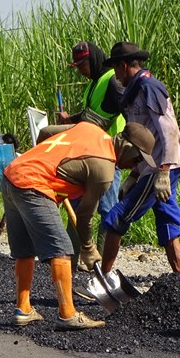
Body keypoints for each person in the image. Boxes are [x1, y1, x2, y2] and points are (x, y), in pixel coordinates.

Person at [2, 121, 156, 330]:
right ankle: (67, 314)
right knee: (62, 249)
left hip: (13, 174)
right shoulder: (104, 170)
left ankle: (23, 309)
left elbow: (46, 132)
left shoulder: (90, 129)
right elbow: (84, 216)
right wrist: (88, 248)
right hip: (34, 186)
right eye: (137, 158)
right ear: (128, 147)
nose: (135, 165)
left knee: (25, 250)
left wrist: (40, 159)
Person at [101, 42, 180, 275]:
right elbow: (143, 139)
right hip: (152, 167)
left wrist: (162, 171)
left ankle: (102, 278)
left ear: (124, 65)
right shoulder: (134, 91)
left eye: (116, 69)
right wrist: (134, 174)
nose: (116, 76)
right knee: (167, 222)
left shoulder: (149, 87)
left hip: (161, 166)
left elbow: (168, 130)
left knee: (118, 217)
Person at [57, 41, 126, 268]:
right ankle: (71, 259)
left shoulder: (112, 81)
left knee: (107, 209)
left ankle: (104, 266)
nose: (79, 70)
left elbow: (122, 111)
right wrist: (71, 120)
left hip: (107, 155)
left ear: (92, 59)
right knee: (76, 207)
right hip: (87, 155)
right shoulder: (93, 84)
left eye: (81, 65)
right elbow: (92, 113)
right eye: (76, 66)